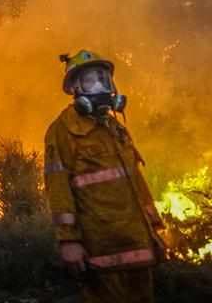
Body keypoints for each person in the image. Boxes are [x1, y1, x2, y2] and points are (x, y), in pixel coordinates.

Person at [43, 50, 166, 303]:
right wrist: (68, 241)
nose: (100, 86)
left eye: (104, 79)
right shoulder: (63, 131)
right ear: (75, 87)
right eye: (91, 80)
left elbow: (136, 184)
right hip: (101, 248)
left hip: (138, 245)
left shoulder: (115, 128)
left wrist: (154, 230)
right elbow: (58, 189)